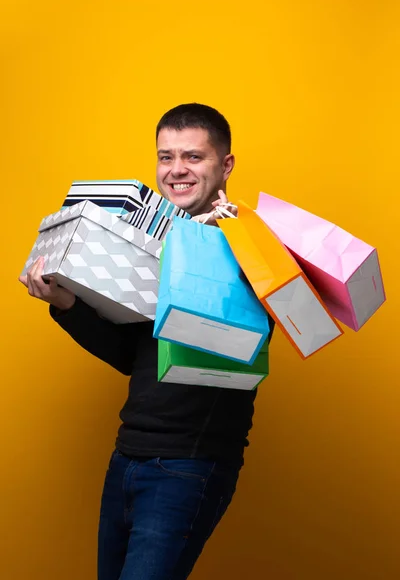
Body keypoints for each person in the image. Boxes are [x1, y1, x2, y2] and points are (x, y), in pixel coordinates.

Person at [19, 103, 273, 580]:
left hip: (188, 469)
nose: (176, 170)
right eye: (166, 156)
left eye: (193, 157)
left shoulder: (252, 244)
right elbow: (134, 356)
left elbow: (237, 350)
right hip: (127, 457)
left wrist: (221, 247)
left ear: (226, 165)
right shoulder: (158, 247)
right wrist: (67, 304)